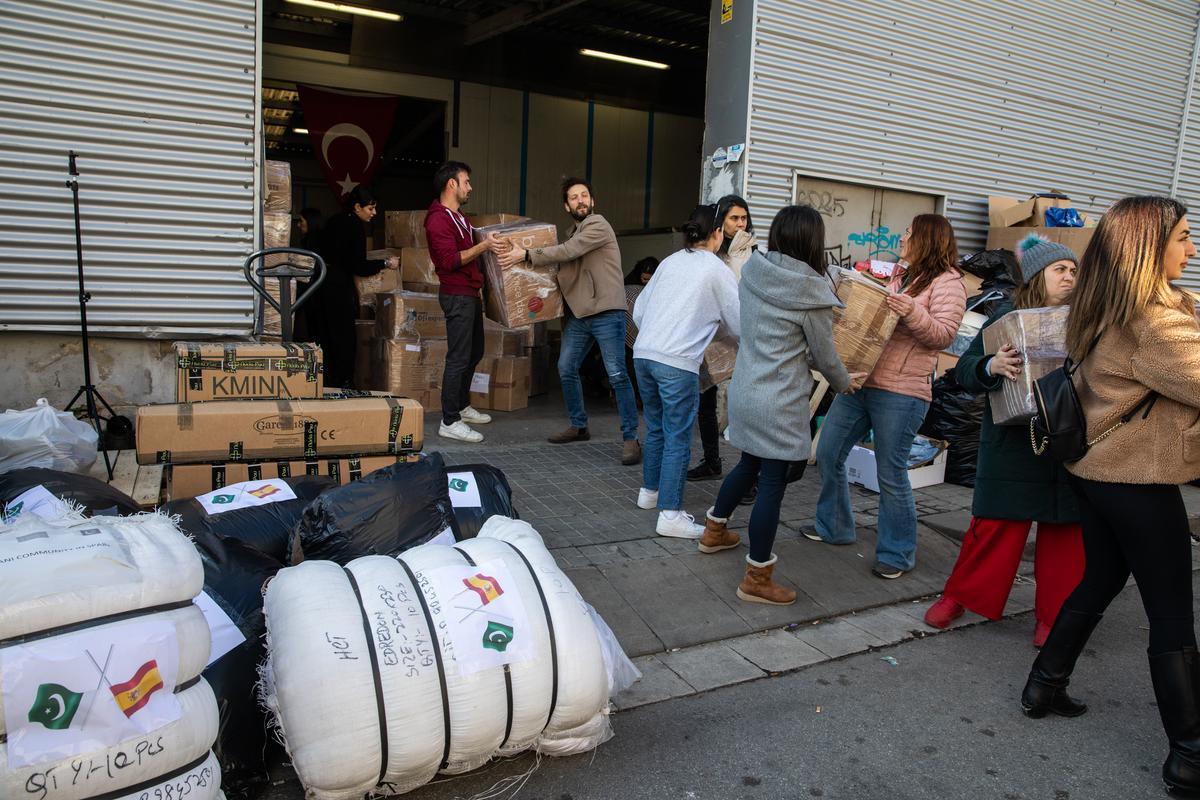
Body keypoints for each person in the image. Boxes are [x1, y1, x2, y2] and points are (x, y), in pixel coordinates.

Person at [1017, 197, 1200, 796]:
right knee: (1171, 613)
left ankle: (1045, 683)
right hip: (1137, 480)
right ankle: (1189, 753)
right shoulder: (1155, 321)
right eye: (1182, 237)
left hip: (1093, 471)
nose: (1191, 249)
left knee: (1101, 578)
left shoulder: (1101, 306)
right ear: (1150, 249)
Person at [699, 205, 866, 604]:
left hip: (745, 390)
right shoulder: (812, 293)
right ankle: (756, 578)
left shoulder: (755, 271)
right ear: (813, 240)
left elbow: (776, 339)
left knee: (748, 464)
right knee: (772, 481)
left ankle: (714, 531)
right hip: (779, 400)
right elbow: (825, 357)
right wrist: (845, 382)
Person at [924, 234, 1084, 647]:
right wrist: (991, 364)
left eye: (1072, 270)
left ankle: (1052, 617)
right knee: (993, 530)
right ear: (1036, 276)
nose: (1069, 277)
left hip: (1064, 446)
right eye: (1059, 270)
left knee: (1065, 536)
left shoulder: (1086, 322)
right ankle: (958, 596)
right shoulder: (1007, 316)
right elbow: (963, 372)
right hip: (1012, 447)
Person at [809, 214, 967, 579]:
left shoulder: (949, 283)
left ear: (926, 239)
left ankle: (897, 553)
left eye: (908, 232)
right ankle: (834, 528)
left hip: (903, 392)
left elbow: (943, 336)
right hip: (861, 381)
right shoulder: (900, 273)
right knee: (829, 452)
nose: (902, 237)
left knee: (890, 473)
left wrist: (911, 310)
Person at [499, 178, 642, 465]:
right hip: (580, 314)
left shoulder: (597, 225)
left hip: (605, 311)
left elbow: (567, 252)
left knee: (616, 374)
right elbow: (561, 265)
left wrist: (525, 254)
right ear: (567, 205)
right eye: (574, 197)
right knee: (566, 367)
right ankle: (579, 425)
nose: (580, 200)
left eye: (584, 195)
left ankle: (631, 438)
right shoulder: (571, 233)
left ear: (593, 201)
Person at [631, 205, 741, 539]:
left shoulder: (669, 262)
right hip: (677, 362)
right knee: (678, 436)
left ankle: (649, 494)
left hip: (644, 354)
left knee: (656, 428)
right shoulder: (717, 269)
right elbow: (738, 323)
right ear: (717, 233)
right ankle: (671, 514)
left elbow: (638, 310)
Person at [424, 161, 501, 443]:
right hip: (457, 295)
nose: (470, 187)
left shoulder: (459, 217)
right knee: (458, 357)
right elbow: (449, 260)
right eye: (466, 181)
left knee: (474, 351)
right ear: (452, 184)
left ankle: (461, 405)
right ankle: (449, 420)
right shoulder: (438, 219)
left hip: (470, 294)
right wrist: (483, 246)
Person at [689, 195, 758, 484]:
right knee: (706, 403)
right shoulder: (709, 250)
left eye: (743, 218)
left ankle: (749, 478)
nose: (740, 224)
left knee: (741, 409)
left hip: (740, 339)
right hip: (710, 337)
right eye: (734, 218)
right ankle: (712, 461)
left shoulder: (752, 254)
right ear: (720, 221)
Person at [311, 186, 398, 388]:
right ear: (357, 207)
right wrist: (385, 263)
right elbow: (358, 266)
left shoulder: (333, 221)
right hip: (338, 289)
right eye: (370, 209)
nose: (374, 213)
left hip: (320, 286)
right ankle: (343, 383)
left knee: (325, 337)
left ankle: (324, 382)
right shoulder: (355, 227)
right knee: (344, 338)